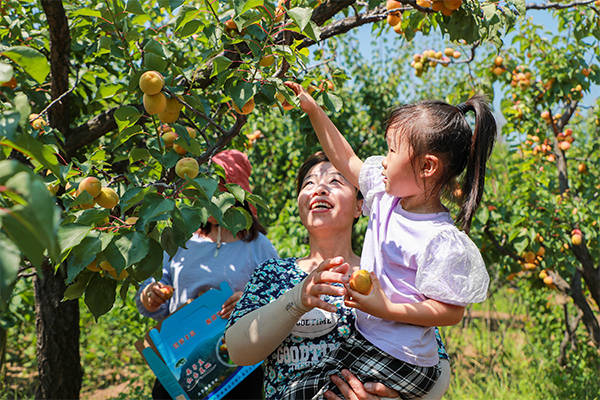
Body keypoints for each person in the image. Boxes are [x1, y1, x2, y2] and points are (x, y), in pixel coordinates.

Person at [281, 82, 496, 399]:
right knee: (297, 391)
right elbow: (345, 156)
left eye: (392, 150)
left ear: (426, 166)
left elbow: (451, 313)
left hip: (404, 359)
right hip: (369, 342)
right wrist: (313, 109)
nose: (383, 159)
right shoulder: (384, 197)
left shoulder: (440, 239)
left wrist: (387, 308)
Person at [225, 152, 451, 400]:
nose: (319, 188)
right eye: (308, 183)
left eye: (335, 181)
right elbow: (238, 350)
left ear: (359, 206)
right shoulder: (273, 274)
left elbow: (436, 363)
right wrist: (296, 300)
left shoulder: (385, 275)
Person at [136, 149, 278, 400]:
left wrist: (251, 302)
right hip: (181, 363)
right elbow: (156, 292)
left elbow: (280, 301)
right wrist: (151, 296)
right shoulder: (180, 241)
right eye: (206, 189)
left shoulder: (258, 247)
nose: (212, 196)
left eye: (221, 190)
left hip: (237, 371)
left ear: (238, 195)